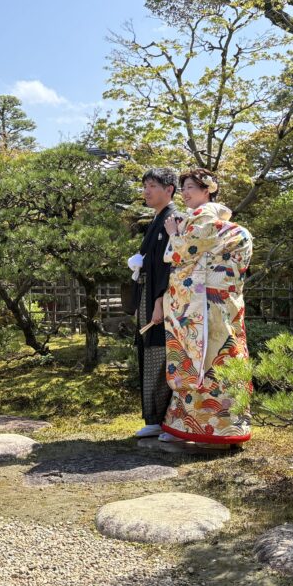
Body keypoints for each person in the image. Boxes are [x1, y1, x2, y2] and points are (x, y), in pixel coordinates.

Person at [160, 168, 253, 445]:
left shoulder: (203, 216)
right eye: (184, 187)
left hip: (204, 304)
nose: (185, 193)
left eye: (190, 187)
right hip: (224, 302)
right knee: (227, 353)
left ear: (208, 189)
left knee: (200, 358)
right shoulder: (216, 220)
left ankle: (197, 427)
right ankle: (229, 426)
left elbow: (181, 254)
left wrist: (173, 233)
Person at [130, 167, 178, 439]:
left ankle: (165, 418)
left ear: (169, 189)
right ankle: (153, 417)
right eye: (145, 185)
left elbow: (169, 267)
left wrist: (160, 301)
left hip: (163, 298)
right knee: (149, 350)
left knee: (162, 352)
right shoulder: (157, 220)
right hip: (149, 294)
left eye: (152, 185)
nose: (146, 191)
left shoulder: (173, 219)